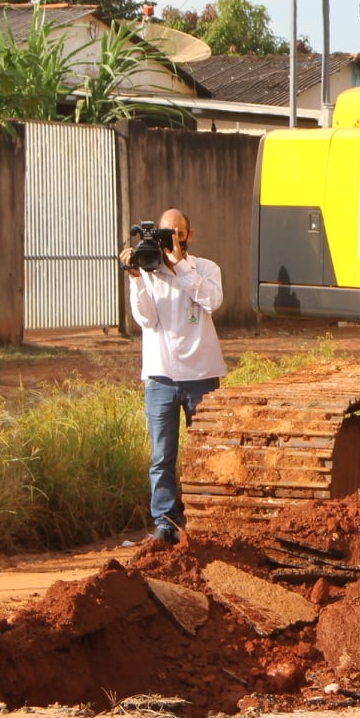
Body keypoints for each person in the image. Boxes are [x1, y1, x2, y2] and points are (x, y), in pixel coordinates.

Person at [121, 207, 225, 544]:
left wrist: (179, 266)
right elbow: (146, 320)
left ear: (188, 237)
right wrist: (137, 279)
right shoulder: (148, 272)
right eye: (165, 234)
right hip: (161, 374)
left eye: (176, 234)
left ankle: (204, 517)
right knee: (162, 455)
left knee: (204, 451)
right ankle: (166, 521)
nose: (170, 241)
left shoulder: (205, 268)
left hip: (202, 373)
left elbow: (212, 301)